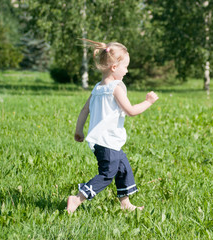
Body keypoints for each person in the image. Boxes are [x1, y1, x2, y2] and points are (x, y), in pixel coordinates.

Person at [67, 39, 159, 213]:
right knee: (107, 174)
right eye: (125, 66)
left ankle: (125, 203)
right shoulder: (115, 88)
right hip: (107, 141)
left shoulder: (97, 88)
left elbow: (84, 110)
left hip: (104, 140)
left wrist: (79, 130)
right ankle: (77, 198)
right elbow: (131, 110)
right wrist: (148, 102)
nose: (127, 70)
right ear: (114, 68)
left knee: (123, 167)